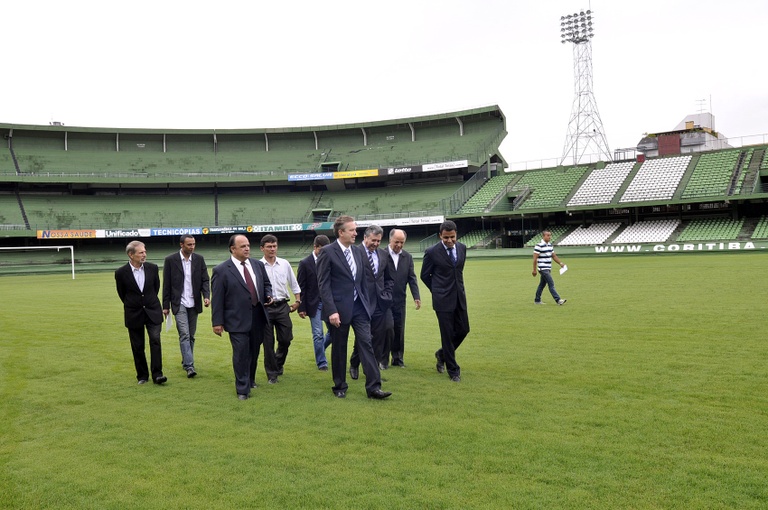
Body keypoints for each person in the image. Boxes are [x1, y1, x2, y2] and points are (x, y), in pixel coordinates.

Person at [316, 215, 392, 400]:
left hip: (359, 307)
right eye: (352, 230)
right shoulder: (327, 252)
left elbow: (362, 281)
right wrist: (332, 310)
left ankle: (374, 387)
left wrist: (366, 303)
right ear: (341, 232)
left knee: (366, 343)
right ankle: (340, 386)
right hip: (338, 310)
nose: (355, 233)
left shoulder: (358, 252)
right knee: (340, 348)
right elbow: (323, 285)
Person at [211, 234, 274, 400]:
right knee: (240, 353)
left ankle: (250, 379)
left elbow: (266, 284)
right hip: (236, 319)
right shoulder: (221, 270)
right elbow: (217, 298)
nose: (247, 248)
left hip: (258, 315)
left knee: (254, 351)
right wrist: (217, 322)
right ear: (233, 249)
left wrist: (268, 295)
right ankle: (242, 389)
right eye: (242, 246)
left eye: (247, 245)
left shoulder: (258, 265)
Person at [420, 220, 469, 382]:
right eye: (446, 237)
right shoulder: (432, 252)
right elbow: (424, 275)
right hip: (442, 300)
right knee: (447, 335)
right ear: (440, 235)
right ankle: (453, 370)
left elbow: (458, 272)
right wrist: (437, 290)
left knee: (463, 330)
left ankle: (441, 354)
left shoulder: (462, 248)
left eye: (452, 237)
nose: (449, 240)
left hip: (459, 297)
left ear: (456, 235)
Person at [115, 240, 167, 385]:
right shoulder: (120, 273)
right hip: (134, 313)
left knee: (155, 341)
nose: (144, 254)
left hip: (152, 311)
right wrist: (135, 304)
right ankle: (142, 376)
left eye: (145, 251)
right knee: (137, 346)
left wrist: (148, 302)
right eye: (141, 252)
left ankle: (158, 374)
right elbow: (122, 294)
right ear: (131, 255)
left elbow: (155, 288)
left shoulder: (153, 268)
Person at [162, 234, 210, 378]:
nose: (192, 247)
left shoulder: (199, 259)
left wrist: (206, 296)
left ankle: (186, 360)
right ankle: (190, 366)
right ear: (181, 245)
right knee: (184, 334)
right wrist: (166, 305)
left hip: (194, 303)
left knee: (191, 335)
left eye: (194, 244)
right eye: (189, 244)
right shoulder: (170, 260)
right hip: (179, 303)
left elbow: (205, 280)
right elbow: (167, 284)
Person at [350, 224, 393, 374]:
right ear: (365, 237)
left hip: (380, 303)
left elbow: (388, 278)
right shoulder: (355, 252)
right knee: (364, 337)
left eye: (378, 241)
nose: (375, 244)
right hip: (362, 303)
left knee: (379, 338)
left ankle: (374, 373)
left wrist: (387, 293)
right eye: (373, 240)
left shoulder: (383, 254)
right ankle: (355, 363)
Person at [259, 234, 302, 376]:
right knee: (268, 342)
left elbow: (294, 283)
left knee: (286, 338)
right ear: (262, 249)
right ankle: (271, 373)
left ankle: (277, 363)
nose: (272, 249)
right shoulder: (258, 266)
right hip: (265, 308)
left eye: (274, 246)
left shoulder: (284, 263)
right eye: (269, 247)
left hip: (283, 305)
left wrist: (297, 301)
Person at [385, 228, 421, 368]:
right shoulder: (381, 254)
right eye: (396, 242)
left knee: (399, 330)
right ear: (390, 240)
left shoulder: (407, 257)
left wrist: (416, 296)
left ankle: (397, 358)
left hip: (400, 300)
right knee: (387, 330)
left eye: (402, 242)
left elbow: (412, 278)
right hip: (384, 301)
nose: (399, 245)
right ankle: (383, 359)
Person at [296, 235, 332, 371]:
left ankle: (320, 349)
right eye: (321, 250)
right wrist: (301, 307)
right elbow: (301, 287)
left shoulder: (330, 261)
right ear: (315, 247)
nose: (323, 253)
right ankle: (322, 362)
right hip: (314, 304)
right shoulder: (305, 263)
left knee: (334, 332)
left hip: (329, 303)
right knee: (318, 333)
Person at [532, 230, 567, 305]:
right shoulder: (539, 245)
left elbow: (553, 256)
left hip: (548, 268)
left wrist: (560, 263)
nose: (549, 237)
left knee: (542, 285)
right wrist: (534, 270)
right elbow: (535, 259)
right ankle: (558, 300)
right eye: (548, 235)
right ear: (543, 236)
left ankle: (537, 300)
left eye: (550, 235)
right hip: (542, 268)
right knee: (551, 284)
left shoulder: (550, 245)